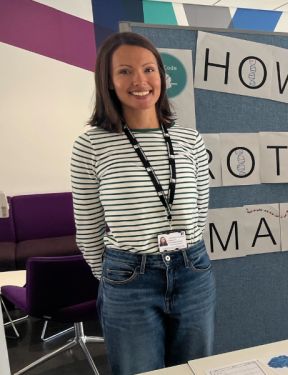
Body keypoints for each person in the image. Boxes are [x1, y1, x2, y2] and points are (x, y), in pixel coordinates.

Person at [71, 32, 214, 375]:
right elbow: (88, 228)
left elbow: (200, 212)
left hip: (192, 269)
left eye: (149, 69)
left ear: (162, 77)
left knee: (195, 369)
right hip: (129, 277)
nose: (140, 80)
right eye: (124, 71)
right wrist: (114, 275)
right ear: (107, 81)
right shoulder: (91, 145)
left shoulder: (189, 139)